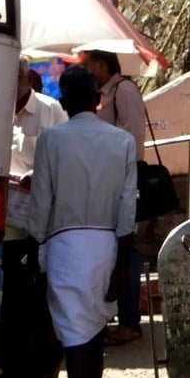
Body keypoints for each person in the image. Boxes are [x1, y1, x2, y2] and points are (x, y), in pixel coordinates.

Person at [29, 64, 137, 378]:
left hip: (65, 244)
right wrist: (122, 261)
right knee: (91, 338)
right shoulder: (122, 141)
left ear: (64, 101)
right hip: (108, 243)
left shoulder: (51, 139)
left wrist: (34, 247)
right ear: (97, 98)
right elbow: (128, 207)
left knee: (76, 340)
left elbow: (41, 201)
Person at [0, 62, 67, 378]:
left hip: (40, 221)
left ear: (27, 78)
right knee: (10, 299)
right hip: (5, 221)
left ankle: (40, 374)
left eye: (15, 77)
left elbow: (64, 157)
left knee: (40, 300)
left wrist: (38, 175)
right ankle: (11, 368)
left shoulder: (49, 111)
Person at [78, 48, 147, 345]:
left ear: (102, 65)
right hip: (107, 181)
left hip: (122, 182)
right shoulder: (104, 93)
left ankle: (130, 321)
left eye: (87, 65)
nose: (84, 70)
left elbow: (131, 138)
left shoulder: (124, 90)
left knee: (126, 250)